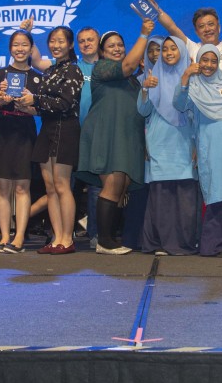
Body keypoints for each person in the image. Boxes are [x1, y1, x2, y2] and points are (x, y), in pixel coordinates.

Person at [75, 22, 152, 254]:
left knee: (122, 185)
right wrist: (145, 33)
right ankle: (104, 241)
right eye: (111, 46)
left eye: (120, 45)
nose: (117, 49)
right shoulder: (102, 68)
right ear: (102, 52)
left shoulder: (131, 79)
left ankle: (109, 238)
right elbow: (128, 65)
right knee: (112, 184)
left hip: (126, 135)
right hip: (107, 133)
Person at [174, 44, 222, 257]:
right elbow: (179, 104)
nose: (208, 65)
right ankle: (212, 245)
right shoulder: (194, 85)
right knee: (215, 193)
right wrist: (186, 76)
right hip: (208, 143)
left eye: (213, 60)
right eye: (204, 60)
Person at [17, 27, 83, 255]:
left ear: (70, 44)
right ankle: (56, 238)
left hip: (66, 129)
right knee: (51, 188)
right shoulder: (50, 70)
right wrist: (27, 108)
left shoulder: (73, 70)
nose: (55, 45)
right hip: (47, 129)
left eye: (60, 41)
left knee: (63, 185)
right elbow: (46, 108)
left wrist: (35, 98)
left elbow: (64, 103)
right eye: (52, 41)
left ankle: (67, 238)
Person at [138, 36, 201, 255]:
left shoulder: (194, 78)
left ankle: (183, 244)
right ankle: (160, 243)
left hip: (185, 142)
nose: (168, 53)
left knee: (185, 199)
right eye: (165, 49)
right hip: (158, 142)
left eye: (174, 48)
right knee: (161, 198)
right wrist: (145, 89)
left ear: (182, 51)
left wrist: (184, 79)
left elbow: (183, 106)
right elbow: (143, 111)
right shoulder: (152, 77)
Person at [0, 29, 43, 253]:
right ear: (10, 48)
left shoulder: (38, 76)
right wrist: (0, 98)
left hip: (25, 132)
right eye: (15, 45)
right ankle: (3, 236)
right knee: (2, 187)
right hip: (1, 131)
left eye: (24, 45)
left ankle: (19, 237)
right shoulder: (0, 74)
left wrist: (26, 105)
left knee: (22, 187)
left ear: (31, 48)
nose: (20, 49)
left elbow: (41, 111)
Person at [76, 26, 102, 247]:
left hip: (99, 136)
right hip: (73, 134)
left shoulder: (107, 66)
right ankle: (61, 233)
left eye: (90, 39)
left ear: (98, 41)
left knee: (96, 187)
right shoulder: (73, 67)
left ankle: (94, 234)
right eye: (82, 41)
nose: (86, 43)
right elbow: (37, 62)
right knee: (66, 185)